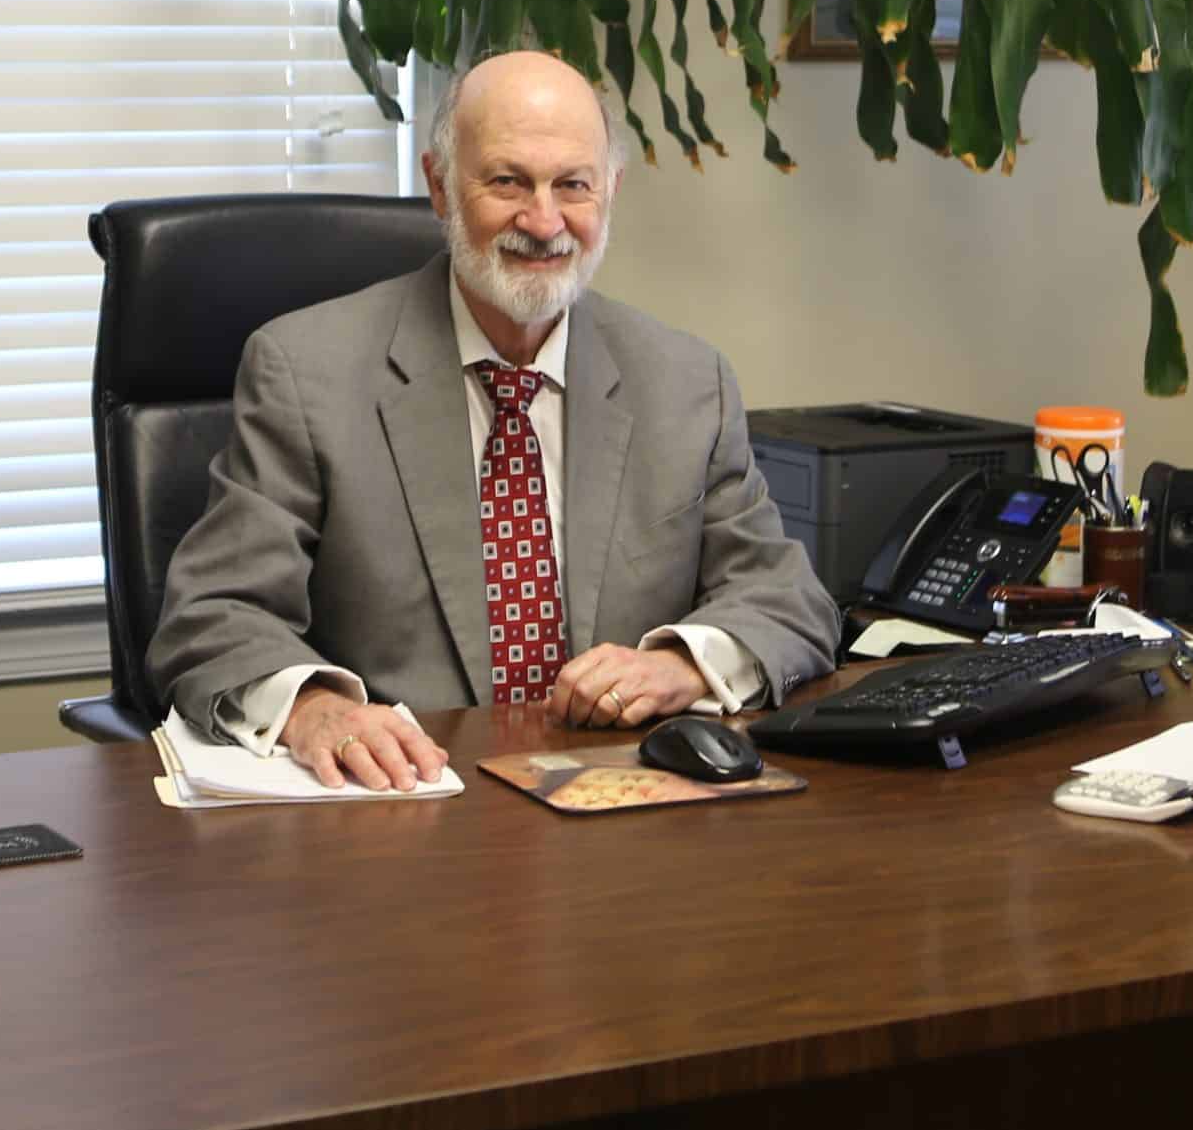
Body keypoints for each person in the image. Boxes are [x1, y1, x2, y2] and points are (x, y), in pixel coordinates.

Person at [148, 49, 841, 791]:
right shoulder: (305, 371)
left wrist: (680, 665)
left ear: (610, 191)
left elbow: (789, 599)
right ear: (441, 186)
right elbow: (213, 613)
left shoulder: (685, 381)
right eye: (507, 181)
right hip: (402, 805)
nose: (543, 222)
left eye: (573, 185)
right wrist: (313, 709)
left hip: (618, 809)